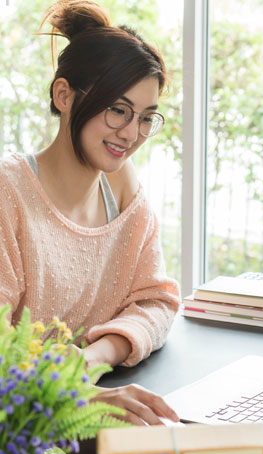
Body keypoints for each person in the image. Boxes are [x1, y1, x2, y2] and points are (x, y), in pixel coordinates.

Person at [0, 0, 180, 425]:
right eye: (117, 110)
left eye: (146, 118)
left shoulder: (121, 190)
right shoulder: (8, 192)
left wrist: (93, 358)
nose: (132, 134)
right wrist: (79, 395)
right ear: (64, 95)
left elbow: (157, 300)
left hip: (77, 418)